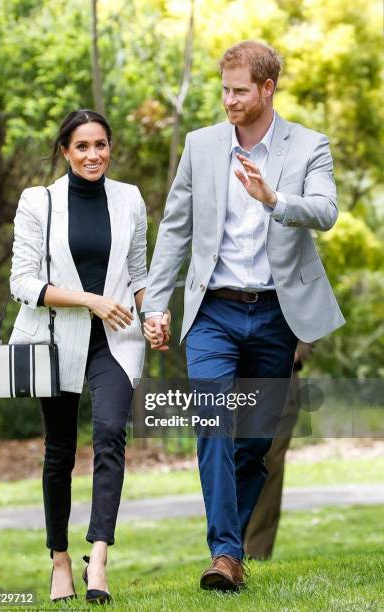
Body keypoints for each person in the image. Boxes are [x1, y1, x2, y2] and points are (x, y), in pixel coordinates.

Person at [142, 40, 344, 591]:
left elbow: (325, 211)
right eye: (224, 89)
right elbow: (177, 228)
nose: (228, 99)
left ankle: (230, 551)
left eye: (238, 90)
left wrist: (274, 198)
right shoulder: (201, 146)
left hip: (278, 315)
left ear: (267, 89)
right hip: (213, 312)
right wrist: (155, 302)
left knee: (254, 446)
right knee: (213, 423)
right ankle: (225, 555)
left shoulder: (308, 146)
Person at [9, 109, 167, 604]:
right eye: (82, 146)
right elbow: (23, 283)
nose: (93, 155)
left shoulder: (130, 199)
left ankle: (97, 558)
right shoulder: (39, 202)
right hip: (56, 340)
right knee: (59, 452)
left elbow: (139, 275)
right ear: (65, 151)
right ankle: (59, 560)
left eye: (101, 145)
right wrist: (91, 300)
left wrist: (153, 314)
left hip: (115, 341)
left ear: (110, 147)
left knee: (109, 435)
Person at [244, 341, 313, 560]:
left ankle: (256, 553)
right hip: (234, 378)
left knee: (269, 462)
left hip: (281, 378)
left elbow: (316, 309)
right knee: (233, 459)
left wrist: (299, 349)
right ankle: (227, 550)